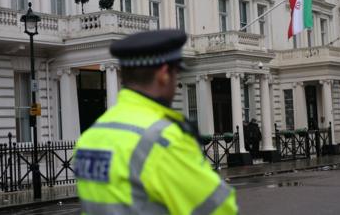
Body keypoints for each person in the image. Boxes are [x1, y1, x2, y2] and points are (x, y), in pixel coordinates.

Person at [73, 29, 237, 215]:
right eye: (176, 73)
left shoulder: (90, 136)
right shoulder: (163, 139)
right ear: (164, 74)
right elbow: (219, 209)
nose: (176, 83)